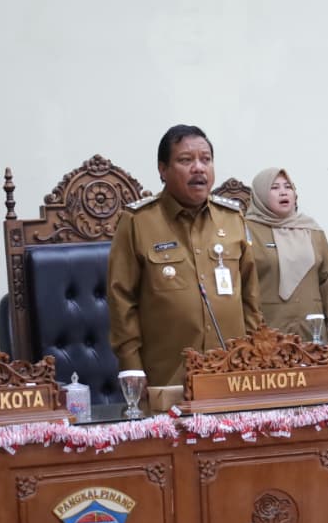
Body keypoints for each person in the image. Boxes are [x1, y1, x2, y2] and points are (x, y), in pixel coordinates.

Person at [107, 124, 262, 389]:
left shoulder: (232, 218)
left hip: (233, 372)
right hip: (167, 375)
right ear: (163, 169)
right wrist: (131, 365)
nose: (199, 168)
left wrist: (256, 353)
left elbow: (250, 295)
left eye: (206, 159)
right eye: (186, 160)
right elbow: (121, 299)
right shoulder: (138, 221)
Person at [244, 168, 328, 340]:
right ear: (260, 195)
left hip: (313, 333)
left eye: (288, 187)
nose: (283, 192)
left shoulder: (313, 230)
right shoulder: (245, 231)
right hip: (266, 335)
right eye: (274, 187)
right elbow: (242, 286)